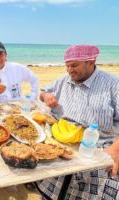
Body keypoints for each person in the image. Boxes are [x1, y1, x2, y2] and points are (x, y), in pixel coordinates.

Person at [37, 45, 119, 199]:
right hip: (63, 137)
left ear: (91, 61)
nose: (69, 70)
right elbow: (42, 91)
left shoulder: (113, 84)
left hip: (100, 142)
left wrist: (116, 149)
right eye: (67, 65)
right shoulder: (64, 80)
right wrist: (46, 96)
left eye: (74, 65)